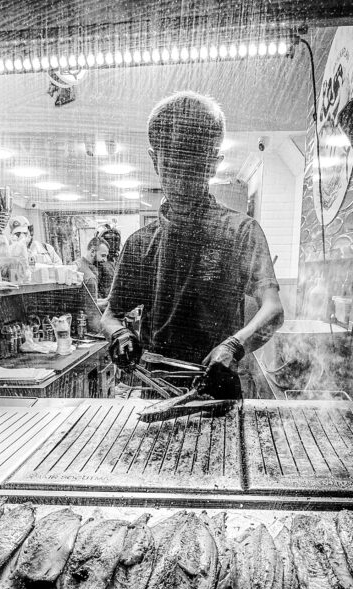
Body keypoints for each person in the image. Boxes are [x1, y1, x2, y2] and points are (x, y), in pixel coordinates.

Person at [101, 91, 284, 394]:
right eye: (172, 167)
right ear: (154, 161)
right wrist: (120, 335)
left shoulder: (241, 232)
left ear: (213, 164)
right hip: (157, 392)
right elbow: (111, 315)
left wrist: (235, 345)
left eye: (195, 168)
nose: (182, 182)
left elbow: (273, 309)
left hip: (218, 393)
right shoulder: (139, 244)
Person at [74, 236, 109, 333]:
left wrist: (107, 300)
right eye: (103, 255)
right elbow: (91, 308)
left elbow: (91, 300)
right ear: (93, 251)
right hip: (85, 325)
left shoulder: (77, 264)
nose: (105, 260)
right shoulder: (90, 277)